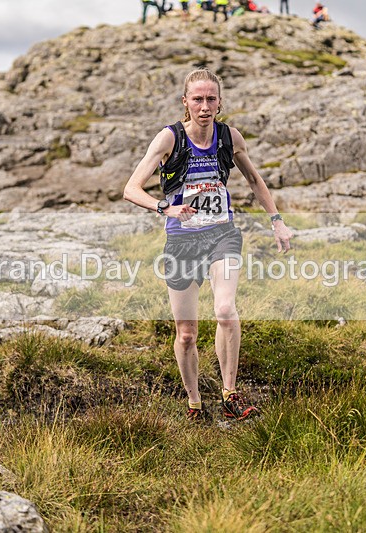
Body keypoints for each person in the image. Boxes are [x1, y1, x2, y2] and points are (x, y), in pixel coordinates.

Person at [123, 69, 292, 421]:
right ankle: (195, 402)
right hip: (182, 241)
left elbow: (254, 179)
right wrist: (164, 207)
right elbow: (131, 188)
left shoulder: (230, 137)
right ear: (185, 102)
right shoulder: (169, 139)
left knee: (225, 310)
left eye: (211, 99)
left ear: (220, 101)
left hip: (222, 235)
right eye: (197, 99)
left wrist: (276, 220)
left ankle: (230, 394)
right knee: (186, 334)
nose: (204, 106)